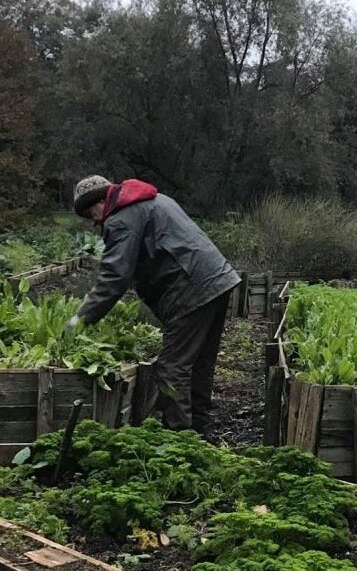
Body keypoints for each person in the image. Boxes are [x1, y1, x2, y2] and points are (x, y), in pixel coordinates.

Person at [67, 175, 241, 432]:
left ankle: (179, 438)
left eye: (89, 212)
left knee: (171, 370)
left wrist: (79, 319)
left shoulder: (122, 218)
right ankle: (201, 430)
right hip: (216, 281)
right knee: (200, 364)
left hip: (190, 290)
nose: (93, 221)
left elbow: (115, 275)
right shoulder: (154, 200)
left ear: (101, 200)